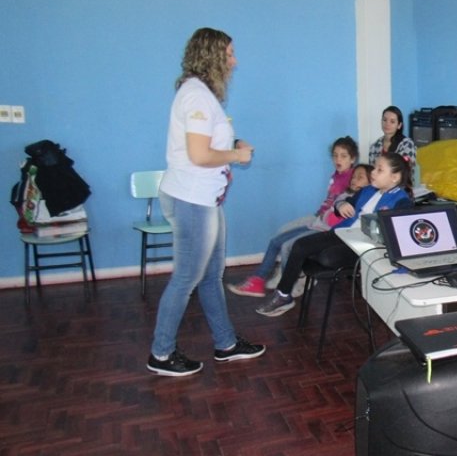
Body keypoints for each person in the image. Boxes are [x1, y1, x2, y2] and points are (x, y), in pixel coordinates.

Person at [147, 27, 264, 377]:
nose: (234, 60)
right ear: (212, 56)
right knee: (186, 279)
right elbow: (199, 154)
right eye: (229, 53)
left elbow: (205, 142)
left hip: (203, 198)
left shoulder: (200, 94)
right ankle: (161, 353)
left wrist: (233, 144)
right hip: (192, 199)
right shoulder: (196, 95)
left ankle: (226, 344)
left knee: (211, 275)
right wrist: (237, 156)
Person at [256, 153, 413, 317]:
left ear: (394, 177)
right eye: (374, 167)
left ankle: (305, 271)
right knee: (300, 245)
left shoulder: (402, 201)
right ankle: (283, 295)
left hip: (365, 247)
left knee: (326, 258)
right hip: (343, 234)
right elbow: (342, 205)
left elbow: (399, 233)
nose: (373, 172)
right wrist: (342, 204)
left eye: (379, 170)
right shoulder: (367, 191)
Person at [227, 136, 360, 297]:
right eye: (335, 155)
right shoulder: (337, 174)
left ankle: (292, 282)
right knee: (277, 237)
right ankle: (261, 279)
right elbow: (329, 201)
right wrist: (320, 212)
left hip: (327, 225)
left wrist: (325, 216)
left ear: (353, 158)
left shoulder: (353, 179)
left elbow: (343, 208)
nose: (338, 159)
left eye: (343, 156)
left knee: (286, 245)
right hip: (319, 217)